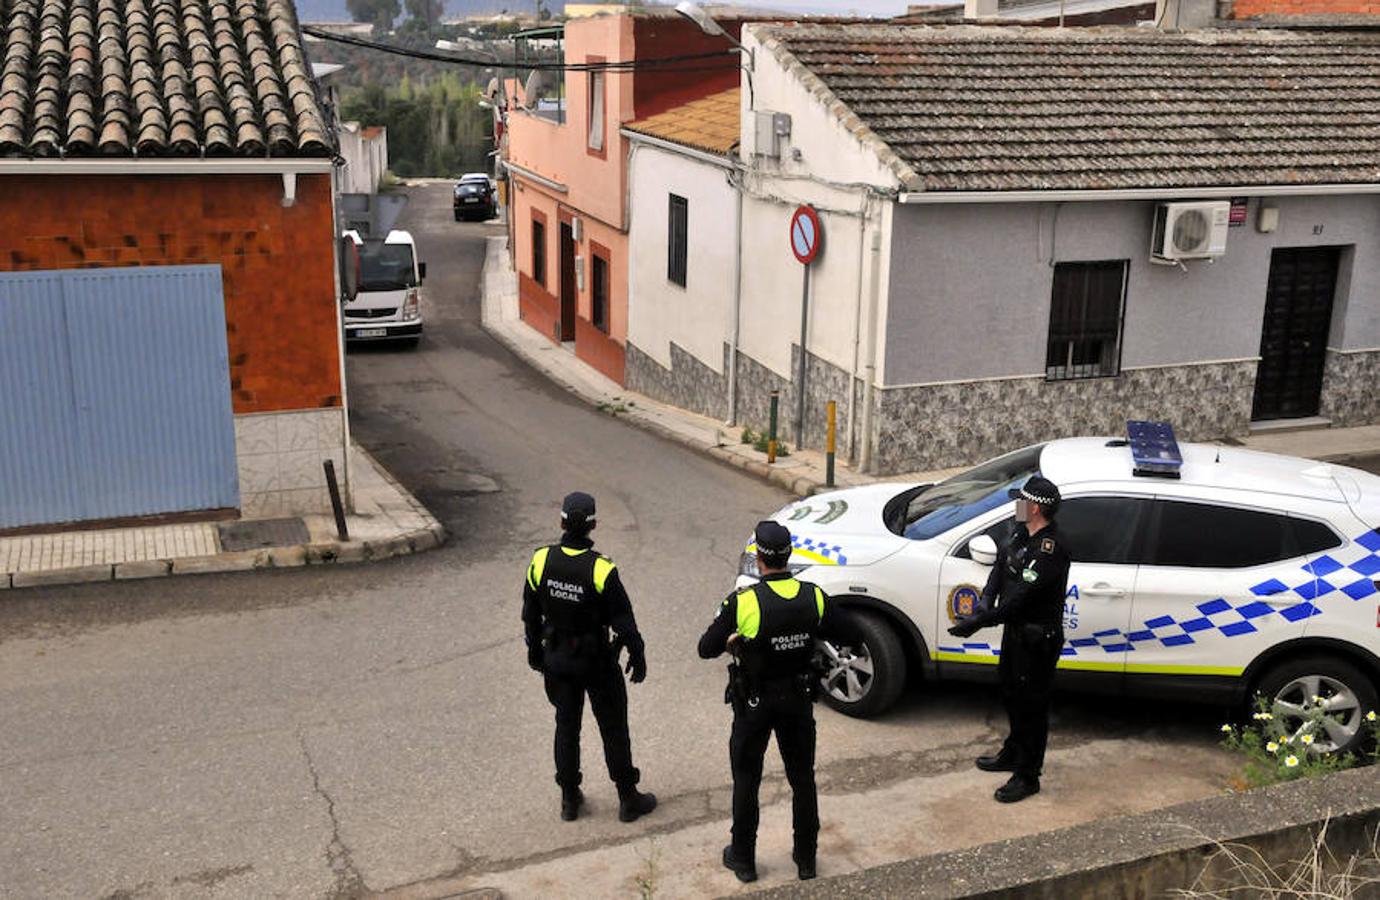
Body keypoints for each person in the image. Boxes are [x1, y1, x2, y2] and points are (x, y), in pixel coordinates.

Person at [698, 520, 859, 884]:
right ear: (788, 556)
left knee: (746, 778)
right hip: (798, 699)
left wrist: (733, 642)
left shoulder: (744, 602)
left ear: (758, 560)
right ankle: (806, 860)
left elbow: (705, 648)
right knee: (803, 780)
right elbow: (852, 633)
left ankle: (743, 859)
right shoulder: (813, 596)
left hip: (755, 702)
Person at [522, 491, 657, 823]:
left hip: (557, 660)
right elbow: (624, 621)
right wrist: (637, 654)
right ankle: (628, 798)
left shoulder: (541, 561)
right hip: (596, 662)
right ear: (594, 525)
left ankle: (569, 799)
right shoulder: (601, 569)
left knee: (566, 728)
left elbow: (530, 614)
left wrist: (535, 652)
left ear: (562, 522)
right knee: (613, 728)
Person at [948, 475, 1070, 803]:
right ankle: (1013, 752)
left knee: (1032, 706)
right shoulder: (1019, 530)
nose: (1015, 505)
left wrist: (979, 621)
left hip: (1037, 641)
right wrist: (985, 602)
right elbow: (1000, 570)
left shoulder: (1051, 550)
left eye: (1021, 501)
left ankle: (1029, 775)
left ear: (1034, 508)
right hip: (1014, 635)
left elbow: (1020, 598)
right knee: (1011, 695)